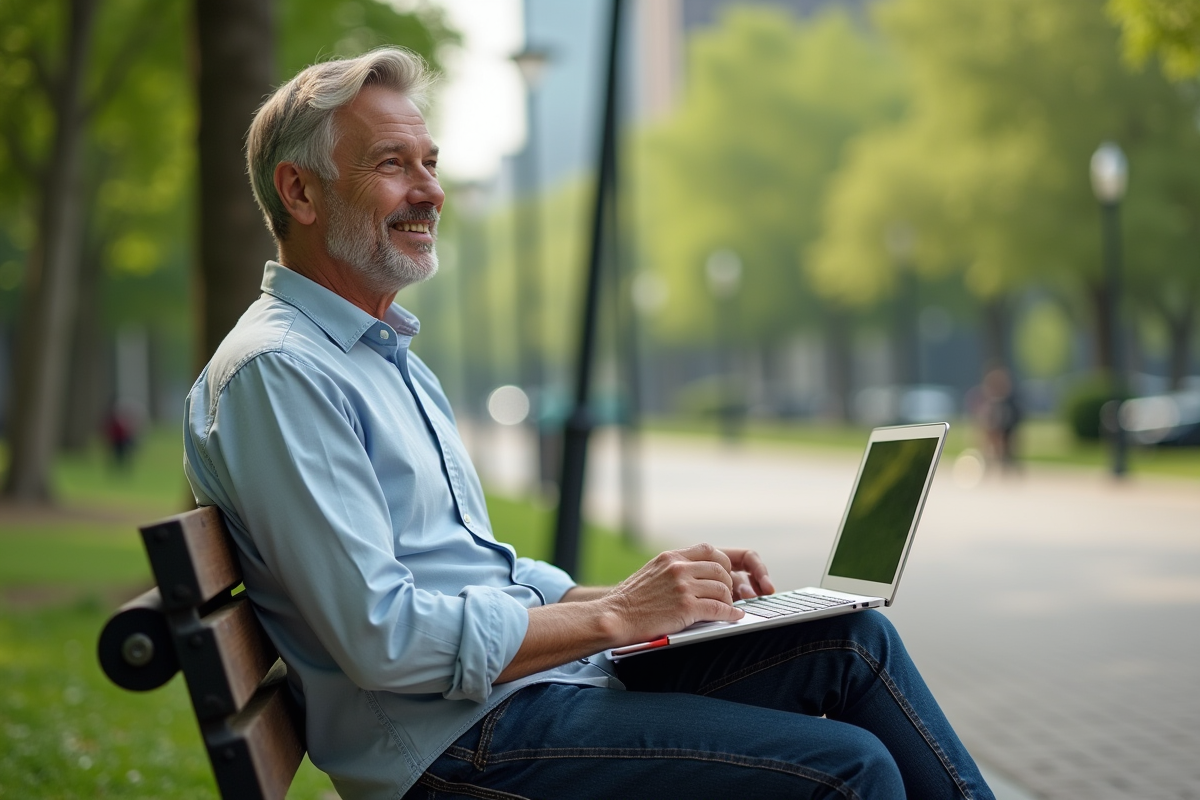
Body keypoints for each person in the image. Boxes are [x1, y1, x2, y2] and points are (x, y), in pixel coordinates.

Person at [183, 47, 995, 800]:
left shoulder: (379, 353)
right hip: (452, 744)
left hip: (520, 695)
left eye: (430, 163)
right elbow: (384, 640)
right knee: (851, 771)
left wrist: (655, 597)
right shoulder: (281, 373)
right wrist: (614, 619)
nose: (429, 190)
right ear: (300, 192)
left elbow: (474, 569)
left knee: (853, 641)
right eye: (392, 165)